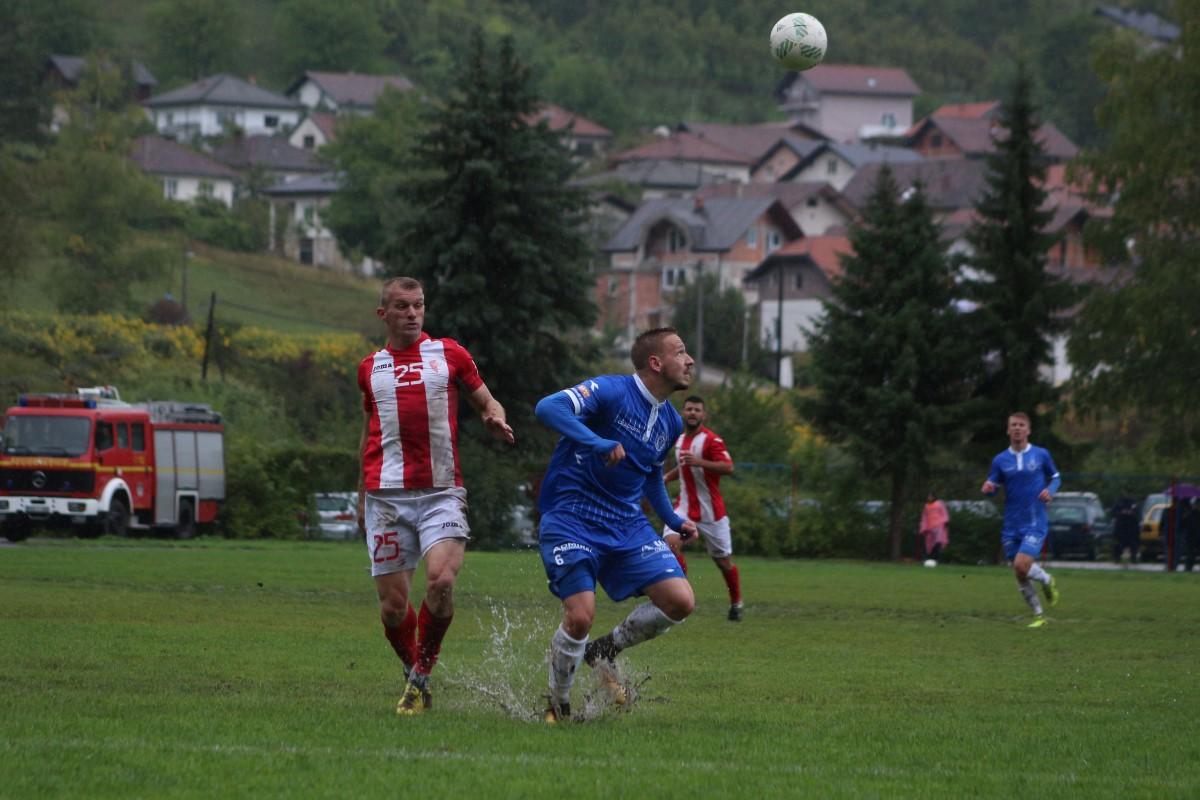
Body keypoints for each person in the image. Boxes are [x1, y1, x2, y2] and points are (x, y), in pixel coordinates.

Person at [356, 276, 514, 716]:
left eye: (419, 305)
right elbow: (368, 433)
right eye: (402, 306)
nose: (412, 313)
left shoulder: (449, 354)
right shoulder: (369, 368)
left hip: (441, 491)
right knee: (392, 609)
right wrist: (360, 497)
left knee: (442, 582)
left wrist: (494, 418)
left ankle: (420, 678)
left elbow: (487, 401)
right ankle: (416, 678)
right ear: (383, 314)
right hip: (385, 498)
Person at [534, 327, 699, 723]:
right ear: (656, 364)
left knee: (681, 601)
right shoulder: (610, 391)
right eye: (680, 352)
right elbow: (547, 408)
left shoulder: (671, 422)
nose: (690, 359)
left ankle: (605, 650)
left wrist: (673, 518)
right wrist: (596, 442)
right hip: (572, 516)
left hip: (625, 523)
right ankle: (558, 703)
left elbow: (651, 473)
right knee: (579, 616)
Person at [661, 395, 743, 621]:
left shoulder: (712, 440)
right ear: (683, 413)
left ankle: (736, 603)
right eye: (689, 409)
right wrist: (667, 477)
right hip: (684, 507)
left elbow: (728, 467)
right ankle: (681, 597)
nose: (693, 413)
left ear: (704, 415)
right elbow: (683, 467)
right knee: (670, 545)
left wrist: (700, 462)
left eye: (697, 410)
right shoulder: (678, 440)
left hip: (711, 512)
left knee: (723, 562)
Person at [980, 412, 1062, 628]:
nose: (1017, 428)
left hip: (1035, 521)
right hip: (1011, 524)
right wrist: (988, 489)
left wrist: (1050, 490)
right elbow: (992, 485)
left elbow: (1055, 477)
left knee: (1021, 564)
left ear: (1028, 430)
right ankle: (1039, 613)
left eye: (1021, 425)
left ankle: (1045, 582)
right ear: (1008, 430)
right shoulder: (1000, 460)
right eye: (1013, 425)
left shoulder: (1041, 454)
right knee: (1019, 571)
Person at [918, 492, 950, 565]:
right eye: (928, 497)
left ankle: (936, 558)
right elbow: (924, 517)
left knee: (938, 542)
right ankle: (927, 558)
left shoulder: (939, 504)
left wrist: (945, 521)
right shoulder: (926, 506)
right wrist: (923, 527)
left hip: (939, 526)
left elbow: (944, 513)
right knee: (928, 544)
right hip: (929, 527)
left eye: (931, 497)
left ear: (934, 497)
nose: (929, 498)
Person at [1110, 492, 1140, 564]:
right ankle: (1117, 558)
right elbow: (1113, 512)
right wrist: (1121, 513)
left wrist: (1131, 513)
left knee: (1133, 545)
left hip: (1132, 528)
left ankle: (1133, 558)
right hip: (1121, 528)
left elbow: (1138, 513)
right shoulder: (1119, 503)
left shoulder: (1134, 503)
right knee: (1118, 544)